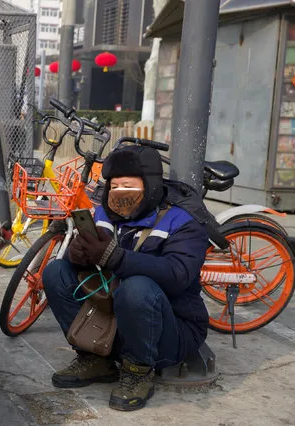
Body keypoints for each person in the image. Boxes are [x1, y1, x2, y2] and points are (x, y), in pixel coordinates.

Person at [42, 145, 210, 411]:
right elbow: (87, 264)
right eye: (115, 185)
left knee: (136, 288)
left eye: (128, 185)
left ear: (151, 185)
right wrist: (78, 255)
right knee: (56, 272)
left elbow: (177, 275)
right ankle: (95, 357)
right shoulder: (104, 214)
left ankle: (138, 371)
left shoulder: (184, 221)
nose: (120, 192)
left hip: (172, 331)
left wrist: (114, 257)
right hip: (117, 318)